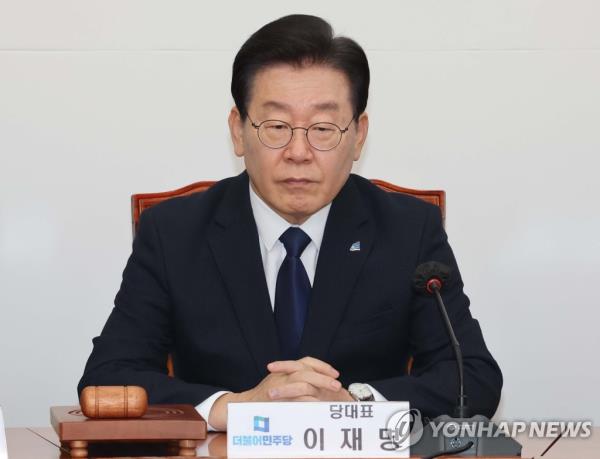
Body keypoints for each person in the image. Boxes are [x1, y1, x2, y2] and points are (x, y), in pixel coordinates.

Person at [78, 14, 502, 431]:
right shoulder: (174, 233)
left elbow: (473, 379)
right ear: (238, 132)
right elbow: (108, 379)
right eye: (277, 125)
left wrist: (353, 404)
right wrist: (233, 407)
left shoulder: (408, 230)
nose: (298, 152)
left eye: (322, 127)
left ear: (358, 136)